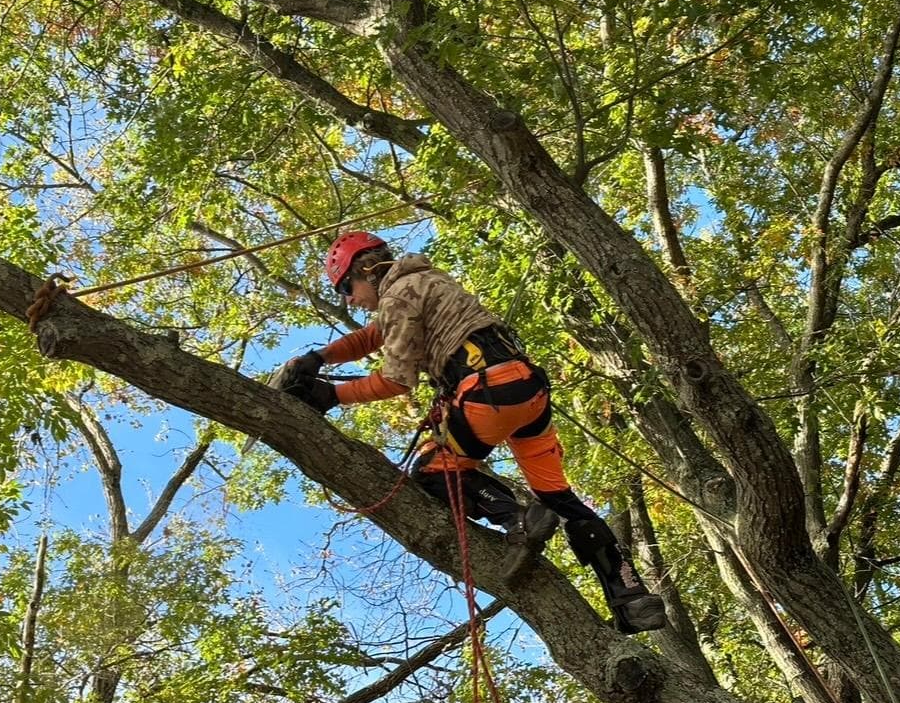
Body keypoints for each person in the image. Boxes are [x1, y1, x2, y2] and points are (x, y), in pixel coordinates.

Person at [282, 231, 667, 634]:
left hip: (487, 392)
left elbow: (396, 380)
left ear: (367, 269)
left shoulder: (398, 295)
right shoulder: (427, 283)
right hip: (526, 392)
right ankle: (632, 596)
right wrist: (319, 357)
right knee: (561, 498)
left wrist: (331, 395)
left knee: (432, 473)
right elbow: (373, 336)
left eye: (347, 287)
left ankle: (518, 519)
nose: (349, 299)